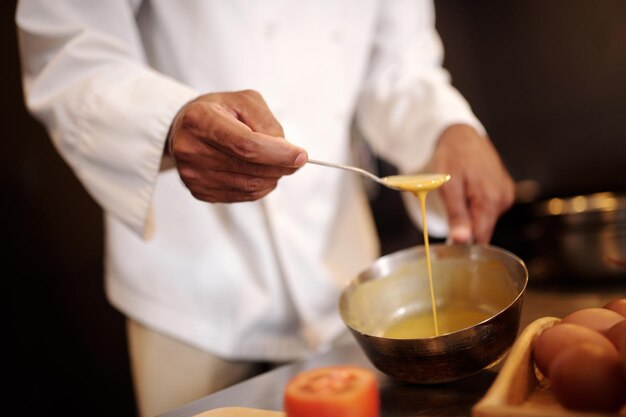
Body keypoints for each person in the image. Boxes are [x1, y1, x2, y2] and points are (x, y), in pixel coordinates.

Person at [16, 1, 514, 415]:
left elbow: (399, 64)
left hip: (347, 283)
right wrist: (169, 122)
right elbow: (69, 47)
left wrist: (448, 126)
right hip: (189, 285)